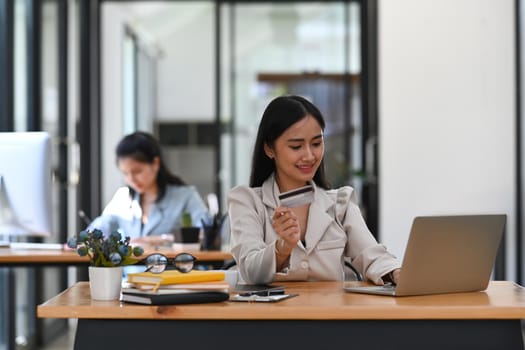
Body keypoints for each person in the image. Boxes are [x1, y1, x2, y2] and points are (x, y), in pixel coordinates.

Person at [227, 95, 401, 285]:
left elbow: (372, 255)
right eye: (296, 146)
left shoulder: (340, 203)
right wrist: (281, 249)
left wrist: (395, 272)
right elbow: (251, 272)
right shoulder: (246, 201)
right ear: (269, 149)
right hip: (272, 314)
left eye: (317, 144)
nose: (309, 156)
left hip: (330, 313)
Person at [88, 131, 210, 242]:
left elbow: (207, 234)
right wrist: (83, 241)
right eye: (125, 173)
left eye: (137, 171)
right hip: (132, 267)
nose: (131, 179)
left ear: (155, 163)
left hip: (172, 266)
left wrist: (158, 240)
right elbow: (99, 228)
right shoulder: (123, 198)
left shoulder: (185, 196)